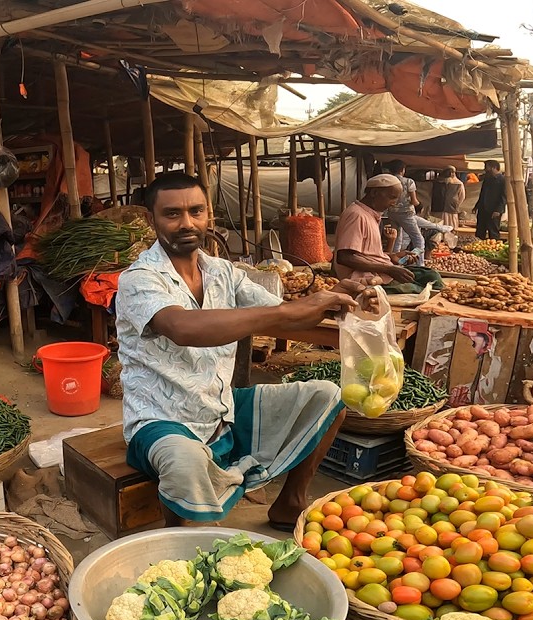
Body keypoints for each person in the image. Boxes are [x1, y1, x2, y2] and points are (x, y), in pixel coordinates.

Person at [115, 172, 364, 528]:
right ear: (151, 219)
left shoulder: (222, 272)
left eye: (196, 211)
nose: (187, 223)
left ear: (208, 215)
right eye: (172, 214)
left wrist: (338, 298)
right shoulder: (140, 278)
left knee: (328, 396)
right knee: (183, 461)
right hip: (161, 421)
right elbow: (182, 327)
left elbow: (281, 317)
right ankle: (183, 535)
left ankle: (290, 502)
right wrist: (286, 312)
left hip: (220, 410)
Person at [334, 175, 443, 294]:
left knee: (431, 276)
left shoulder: (370, 214)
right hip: (363, 277)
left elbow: (366, 254)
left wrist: (393, 256)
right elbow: (345, 257)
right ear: (375, 193)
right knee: (419, 289)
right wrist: (389, 269)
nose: (394, 203)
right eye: (392, 198)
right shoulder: (356, 215)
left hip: (381, 270)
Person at [382, 160, 425, 257]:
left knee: (396, 239)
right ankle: (419, 263)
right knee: (418, 239)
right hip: (406, 214)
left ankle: (395, 262)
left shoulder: (388, 181)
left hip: (392, 213)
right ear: (402, 170)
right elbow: (414, 201)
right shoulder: (409, 182)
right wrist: (420, 206)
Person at [474, 160, 506, 240]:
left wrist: (498, 210)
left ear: (494, 167)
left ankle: (494, 248)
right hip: (483, 209)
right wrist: (477, 206)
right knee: (480, 231)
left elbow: (504, 196)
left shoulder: (503, 180)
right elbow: (483, 193)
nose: (485, 170)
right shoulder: (487, 179)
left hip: (494, 210)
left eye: (486, 167)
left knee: (493, 231)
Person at [438, 166, 465, 233]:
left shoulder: (459, 184)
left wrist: (455, 204)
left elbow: (462, 197)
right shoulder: (438, 183)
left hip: (451, 209)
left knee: (451, 227)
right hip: (439, 209)